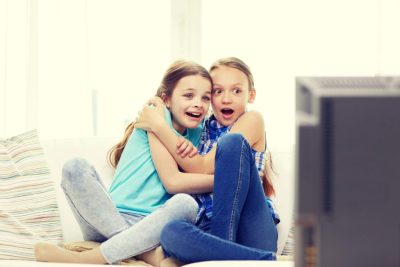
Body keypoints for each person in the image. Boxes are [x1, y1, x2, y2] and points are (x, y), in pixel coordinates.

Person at [33, 59, 215, 266]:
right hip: (108, 217)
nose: (198, 103)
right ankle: (141, 253)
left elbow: (202, 170)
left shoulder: (203, 135)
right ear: (167, 99)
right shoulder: (155, 116)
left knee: (186, 204)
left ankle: (99, 254)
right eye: (188, 95)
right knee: (75, 167)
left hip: (152, 225)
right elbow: (171, 180)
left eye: (205, 98)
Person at [135, 57, 280, 264]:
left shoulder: (252, 120)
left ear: (251, 95)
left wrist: (158, 126)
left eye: (236, 91)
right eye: (218, 91)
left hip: (253, 230)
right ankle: (256, 260)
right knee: (170, 232)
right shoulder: (200, 129)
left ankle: (222, 256)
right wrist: (159, 109)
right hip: (208, 229)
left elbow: (203, 167)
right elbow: (174, 178)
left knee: (231, 143)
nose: (226, 99)